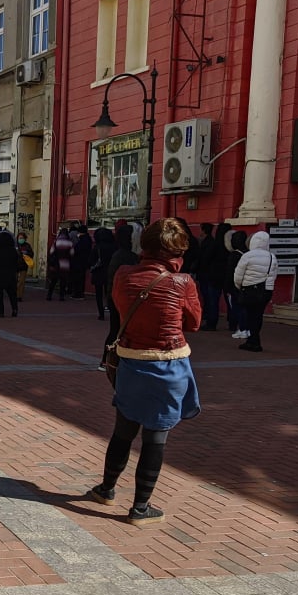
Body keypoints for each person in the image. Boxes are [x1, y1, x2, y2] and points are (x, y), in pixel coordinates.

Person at [87, 218, 202, 526]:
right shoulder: (183, 282)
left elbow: (121, 307)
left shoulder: (124, 274)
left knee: (123, 430)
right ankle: (140, 507)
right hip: (168, 363)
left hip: (130, 361)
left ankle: (106, 489)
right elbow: (194, 323)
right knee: (156, 436)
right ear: (178, 252)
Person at [98, 224, 140, 371]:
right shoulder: (127, 257)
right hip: (120, 299)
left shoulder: (121, 254)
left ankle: (108, 360)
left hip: (115, 297)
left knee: (116, 330)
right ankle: (108, 360)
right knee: (117, 330)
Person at [234, 231, 278, 352]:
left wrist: (240, 286)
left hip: (250, 289)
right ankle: (254, 339)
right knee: (258, 316)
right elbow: (273, 275)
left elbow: (238, 275)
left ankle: (253, 341)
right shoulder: (271, 257)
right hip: (265, 292)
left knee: (249, 315)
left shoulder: (247, 255)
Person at [0, 229, 21, 317]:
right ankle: (14, 309)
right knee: (12, 294)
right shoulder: (13, 251)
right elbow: (16, 262)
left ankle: (1, 311)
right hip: (10, 276)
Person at [224, 230, 249, 338]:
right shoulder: (248, 253)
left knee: (237, 308)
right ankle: (246, 328)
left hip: (235, 285)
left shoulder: (234, 255)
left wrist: (227, 288)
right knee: (245, 308)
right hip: (247, 284)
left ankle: (242, 328)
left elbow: (230, 273)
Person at [89, 228, 117, 320]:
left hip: (99, 272)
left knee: (99, 294)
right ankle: (111, 310)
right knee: (109, 293)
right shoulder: (114, 247)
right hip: (110, 272)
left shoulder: (97, 247)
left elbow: (91, 260)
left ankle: (101, 314)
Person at [46, 228, 73, 301]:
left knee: (54, 280)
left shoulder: (56, 241)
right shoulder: (70, 243)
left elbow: (51, 252)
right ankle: (61, 296)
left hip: (56, 264)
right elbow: (72, 253)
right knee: (63, 281)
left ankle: (49, 295)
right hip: (65, 264)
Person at [70, 225, 92, 299]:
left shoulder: (82, 240)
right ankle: (80, 293)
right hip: (84, 261)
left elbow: (77, 250)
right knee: (81, 278)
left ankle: (77, 294)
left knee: (77, 278)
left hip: (78, 261)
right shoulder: (88, 239)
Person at [16, 232, 34, 302]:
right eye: (20, 238)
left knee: (21, 282)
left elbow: (31, 254)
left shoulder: (27, 246)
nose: (21, 239)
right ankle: (14, 294)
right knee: (14, 281)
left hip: (23, 266)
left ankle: (19, 296)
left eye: (22, 238)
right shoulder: (15, 245)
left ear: (25, 239)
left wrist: (27, 254)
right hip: (15, 265)